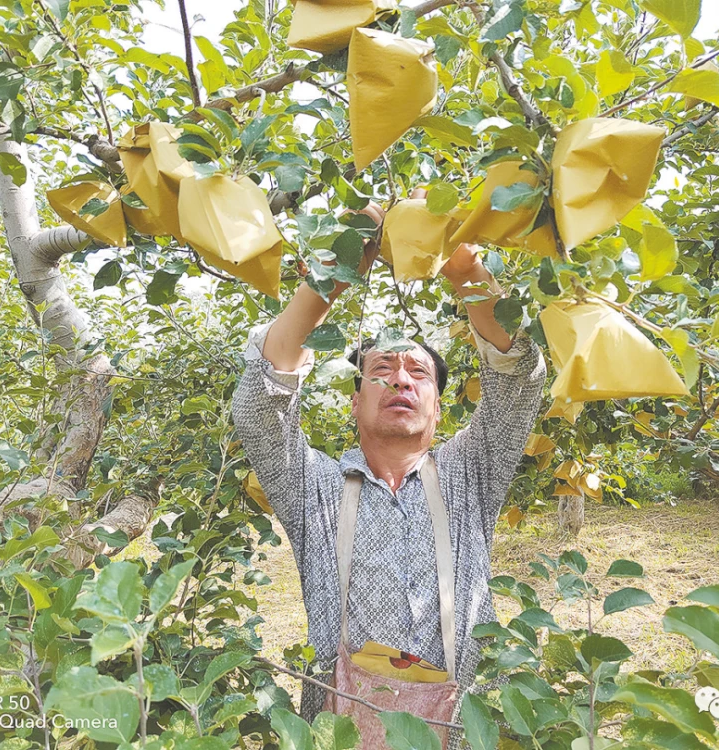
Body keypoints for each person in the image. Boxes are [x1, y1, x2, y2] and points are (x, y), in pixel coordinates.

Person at [231, 194, 546, 740]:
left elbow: (518, 377)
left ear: (439, 406)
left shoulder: (471, 474)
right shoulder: (316, 488)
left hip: (461, 732)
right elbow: (259, 408)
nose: (400, 380)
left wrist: (458, 259)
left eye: (418, 373)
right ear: (354, 403)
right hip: (339, 731)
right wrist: (340, 265)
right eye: (381, 370)